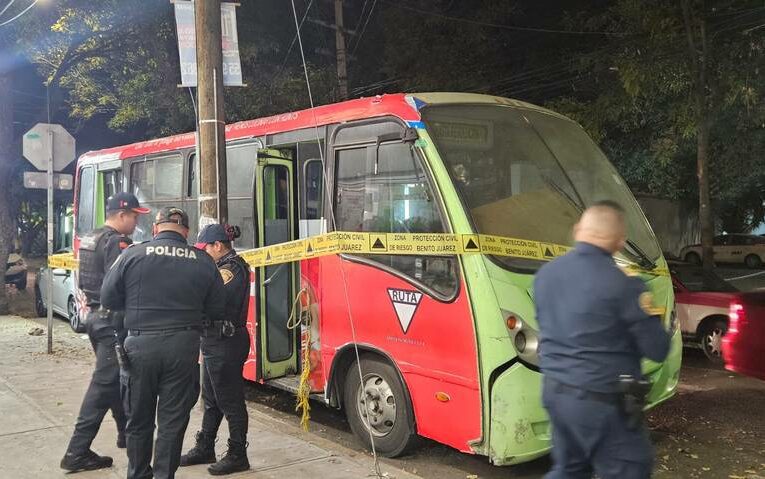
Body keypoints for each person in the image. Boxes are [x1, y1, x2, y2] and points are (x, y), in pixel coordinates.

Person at [534, 200, 671, 479]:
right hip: (602, 403)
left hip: (556, 394)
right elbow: (657, 349)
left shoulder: (546, 275)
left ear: (577, 230)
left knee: (569, 470)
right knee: (631, 469)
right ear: (619, 242)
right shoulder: (624, 283)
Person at [101, 206, 226, 479]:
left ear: (156, 228)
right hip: (183, 347)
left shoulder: (132, 254)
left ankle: (138, 474)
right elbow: (218, 309)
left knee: (139, 420)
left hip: (139, 346)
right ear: (187, 232)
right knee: (172, 422)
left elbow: (108, 298)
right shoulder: (203, 260)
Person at [60, 192, 149, 473]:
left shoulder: (91, 237)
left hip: (96, 317)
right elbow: (124, 282)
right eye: (134, 216)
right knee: (104, 385)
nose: (136, 222)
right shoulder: (116, 243)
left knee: (115, 380)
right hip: (112, 321)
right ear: (121, 215)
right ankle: (77, 452)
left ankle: (126, 434)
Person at [180, 224, 251, 475]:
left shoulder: (230, 269)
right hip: (214, 338)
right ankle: (205, 446)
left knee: (230, 400)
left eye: (205, 249)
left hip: (226, 341)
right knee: (211, 399)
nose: (202, 254)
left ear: (218, 246)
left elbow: (209, 297)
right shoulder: (219, 267)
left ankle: (238, 453)